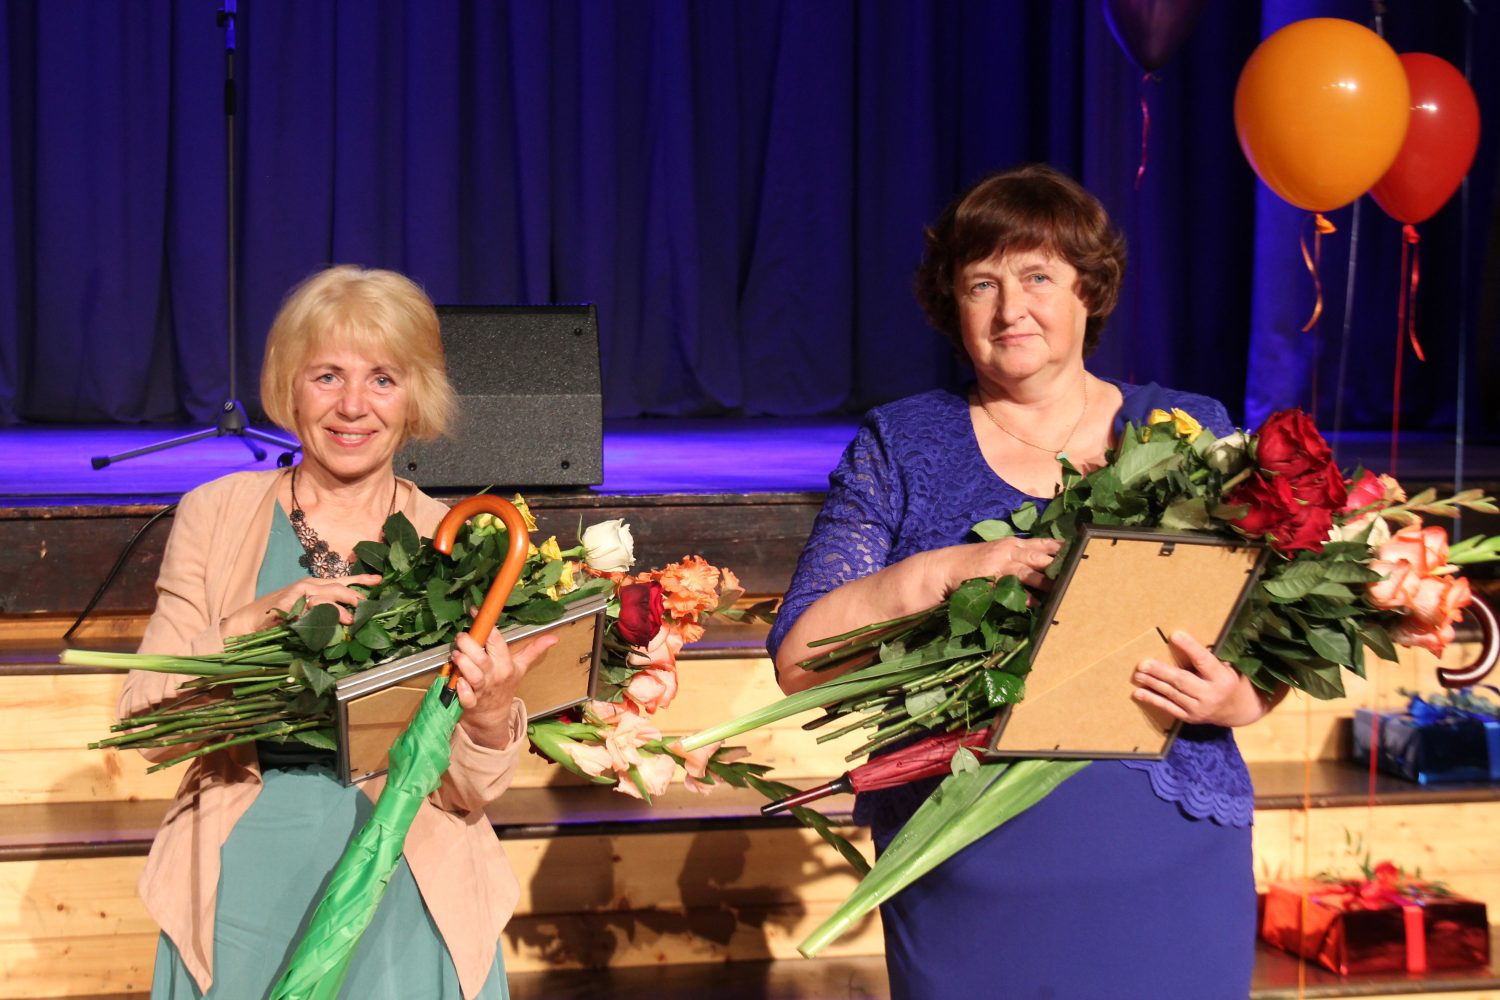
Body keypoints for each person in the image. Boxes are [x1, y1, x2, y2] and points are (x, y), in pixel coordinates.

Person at [768, 165, 1279, 999]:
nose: (1010, 310)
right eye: (982, 284)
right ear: (952, 303)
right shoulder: (902, 445)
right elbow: (801, 658)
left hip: (1170, 862)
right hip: (969, 872)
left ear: (1088, 290)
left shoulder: (1190, 430)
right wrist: (946, 571)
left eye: (1038, 277)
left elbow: (1274, 632)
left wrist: (1241, 699)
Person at [120, 265, 553, 999]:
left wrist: (487, 716)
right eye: (327, 376)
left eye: (383, 379)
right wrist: (251, 623)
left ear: (415, 396)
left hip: (407, 873)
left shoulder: (458, 539)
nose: (353, 405)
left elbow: (468, 793)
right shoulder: (216, 514)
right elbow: (146, 725)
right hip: (242, 880)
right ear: (290, 387)